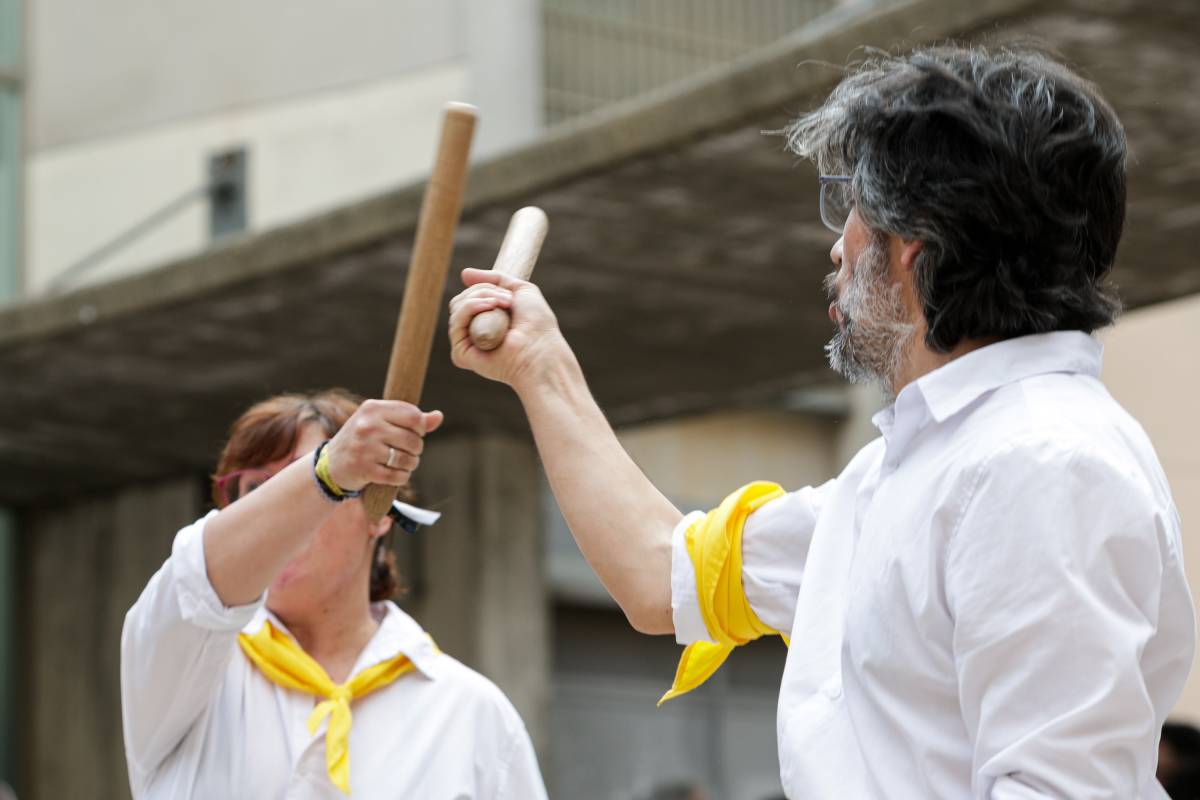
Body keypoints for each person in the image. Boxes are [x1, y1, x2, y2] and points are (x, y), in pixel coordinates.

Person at [448, 44, 1195, 798]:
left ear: (913, 248)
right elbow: (657, 574)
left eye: (853, 209)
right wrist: (538, 364)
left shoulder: (1043, 462)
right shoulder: (912, 467)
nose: (837, 246)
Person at [121, 390, 547, 799]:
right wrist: (326, 473)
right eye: (256, 491)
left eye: (302, 479)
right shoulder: (183, 665)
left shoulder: (472, 713)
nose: (283, 514)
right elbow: (196, 582)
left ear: (380, 514)